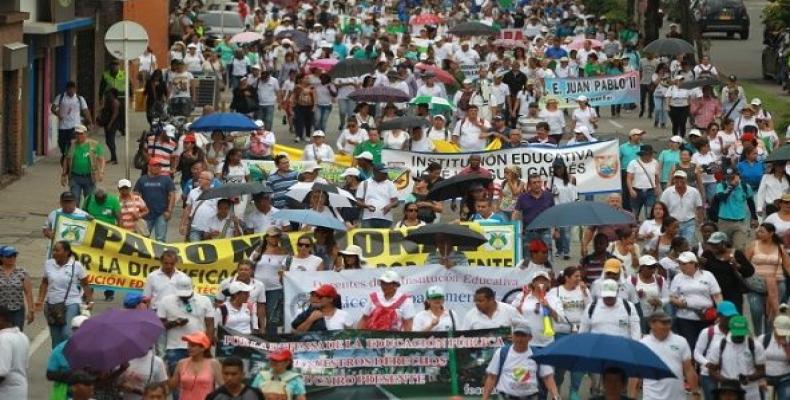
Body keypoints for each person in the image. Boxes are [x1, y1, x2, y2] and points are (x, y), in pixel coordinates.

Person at [482, 320, 560, 400]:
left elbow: (547, 378)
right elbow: (491, 378)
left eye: (523, 335)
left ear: (530, 338)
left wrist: (555, 396)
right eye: (517, 335)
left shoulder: (538, 355)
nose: (519, 339)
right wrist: (485, 398)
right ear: (512, 336)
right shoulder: (501, 353)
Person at [36, 240, 93, 348]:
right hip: (52, 304)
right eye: (54, 250)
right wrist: (40, 300)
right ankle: (57, 361)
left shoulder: (77, 266)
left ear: (67, 252)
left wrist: (90, 300)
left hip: (71, 302)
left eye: (57, 250)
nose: (54, 253)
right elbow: (44, 283)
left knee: (67, 333)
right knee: (56, 337)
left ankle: (70, 357)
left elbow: (85, 284)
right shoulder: (49, 264)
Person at [157, 275, 214, 378]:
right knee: (178, 380)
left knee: (200, 378)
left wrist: (207, 347)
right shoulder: (165, 301)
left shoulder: (205, 300)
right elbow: (158, 325)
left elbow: (210, 325)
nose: (184, 296)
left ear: (192, 287)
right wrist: (175, 323)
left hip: (199, 347)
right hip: (176, 347)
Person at [639, 311, 701, 400]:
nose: (667, 326)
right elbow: (636, 375)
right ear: (652, 324)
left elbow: (689, 369)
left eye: (668, 322)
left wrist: (695, 392)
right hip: (651, 396)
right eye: (663, 323)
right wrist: (632, 395)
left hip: (677, 397)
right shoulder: (643, 343)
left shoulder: (681, 341)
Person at [671, 251, 723, 351]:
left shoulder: (708, 275)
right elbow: (672, 296)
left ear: (694, 264)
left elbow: (717, 296)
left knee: (707, 346)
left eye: (684, 264)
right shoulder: (677, 278)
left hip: (706, 317)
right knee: (691, 346)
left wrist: (720, 314)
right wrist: (677, 302)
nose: (681, 266)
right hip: (685, 318)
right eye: (680, 263)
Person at [744, 223, 789, 336]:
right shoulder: (753, 245)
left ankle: (768, 338)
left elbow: (788, 266)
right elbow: (745, 265)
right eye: (758, 231)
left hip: (777, 284)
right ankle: (759, 336)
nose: (758, 233)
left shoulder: (780, 247)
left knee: (772, 313)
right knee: (756, 311)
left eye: (762, 231)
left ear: (771, 233)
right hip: (756, 284)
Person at [708, 315, 767, 400]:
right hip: (728, 393)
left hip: (750, 392)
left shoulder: (755, 345)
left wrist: (748, 377)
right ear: (730, 329)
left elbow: (762, 370)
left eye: (741, 333)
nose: (739, 336)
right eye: (737, 333)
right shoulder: (719, 345)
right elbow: (712, 370)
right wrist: (727, 382)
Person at [694, 301, 740, 400]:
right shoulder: (708, 332)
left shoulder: (738, 333)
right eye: (728, 317)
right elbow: (697, 353)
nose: (730, 319)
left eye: (733, 316)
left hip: (729, 376)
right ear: (719, 316)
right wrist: (707, 363)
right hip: (708, 375)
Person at [250, 226, 289, 337]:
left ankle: (271, 340)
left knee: (272, 317)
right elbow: (249, 265)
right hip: (257, 288)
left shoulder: (284, 252)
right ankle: (256, 340)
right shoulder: (258, 250)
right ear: (267, 237)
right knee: (256, 315)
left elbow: (288, 268)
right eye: (273, 237)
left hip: (275, 288)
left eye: (277, 237)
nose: (275, 239)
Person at [703, 231, 755, 313]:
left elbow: (750, 271)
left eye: (716, 244)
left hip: (733, 294)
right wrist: (700, 264)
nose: (713, 247)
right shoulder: (707, 254)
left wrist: (737, 265)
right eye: (711, 244)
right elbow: (704, 272)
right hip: (714, 293)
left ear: (724, 243)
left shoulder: (736, 254)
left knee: (734, 319)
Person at [512, 270, 564, 348]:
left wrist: (548, 307)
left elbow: (560, 319)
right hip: (525, 342)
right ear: (533, 283)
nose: (541, 282)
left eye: (544, 280)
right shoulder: (522, 296)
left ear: (548, 283)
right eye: (538, 280)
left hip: (546, 343)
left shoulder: (554, 299)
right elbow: (512, 314)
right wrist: (521, 302)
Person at [169, 331, 222, 400]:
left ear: (203, 348)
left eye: (193, 346)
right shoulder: (181, 363)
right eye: (188, 345)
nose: (189, 348)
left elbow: (223, 385)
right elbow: (171, 386)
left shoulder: (213, 363)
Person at [714, 169, 757, 250]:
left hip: (740, 222)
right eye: (728, 176)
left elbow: (751, 202)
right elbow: (722, 198)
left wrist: (754, 217)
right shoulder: (721, 185)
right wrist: (731, 186)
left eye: (733, 176)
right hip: (724, 222)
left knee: (739, 248)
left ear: (738, 176)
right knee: (724, 248)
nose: (730, 178)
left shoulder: (745, 187)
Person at [514, 174, 555, 259]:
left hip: (545, 231)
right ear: (529, 185)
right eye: (534, 183)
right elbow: (516, 213)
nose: (537, 184)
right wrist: (514, 228)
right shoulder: (522, 197)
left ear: (542, 183)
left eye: (539, 182)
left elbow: (553, 213)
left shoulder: (549, 196)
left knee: (547, 257)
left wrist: (556, 229)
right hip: (528, 232)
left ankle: (547, 272)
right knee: (527, 258)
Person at [134, 159, 177, 241]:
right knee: (143, 238)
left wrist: (169, 211)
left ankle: (160, 254)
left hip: (162, 213)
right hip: (146, 214)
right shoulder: (142, 180)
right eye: (155, 165)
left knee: (160, 239)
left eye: (159, 166)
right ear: (149, 167)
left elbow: (172, 195)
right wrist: (137, 211)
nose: (157, 167)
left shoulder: (166, 179)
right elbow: (135, 195)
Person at [61, 124, 105, 203]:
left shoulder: (94, 145)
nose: (79, 136)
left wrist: (101, 172)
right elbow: (66, 160)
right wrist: (64, 174)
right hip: (75, 177)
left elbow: (101, 159)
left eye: (81, 133)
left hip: (90, 177)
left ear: (86, 133)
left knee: (89, 200)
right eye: (77, 134)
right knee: (74, 199)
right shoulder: (71, 145)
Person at [660, 170, 705, 244]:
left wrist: (700, 222)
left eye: (681, 179)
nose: (679, 181)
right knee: (674, 244)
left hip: (689, 223)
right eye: (676, 179)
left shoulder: (694, 192)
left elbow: (699, 207)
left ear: (686, 180)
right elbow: (662, 207)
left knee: (687, 244)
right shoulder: (667, 192)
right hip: (672, 223)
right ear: (674, 180)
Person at [52, 81, 92, 162]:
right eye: (69, 90)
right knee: (62, 143)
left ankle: (71, 158)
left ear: (75, 89)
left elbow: (85, 110)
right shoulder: (61, 97)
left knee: (73, 143)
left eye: (73, 90)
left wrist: (90, 121)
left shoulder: (80, 99)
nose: (71, 92)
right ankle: (65, 154)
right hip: (63, 126)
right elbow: (53, 108)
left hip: (75, 126)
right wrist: (58, 114)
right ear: (66, 89)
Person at [632, 256, 670, 333]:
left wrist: (660, 302)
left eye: (654, 267)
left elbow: (667, 298)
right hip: (639, 318)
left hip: (657, 318)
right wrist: (636, 296)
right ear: (641, 267)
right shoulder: (632, 280)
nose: (652, 269)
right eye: (649, 267)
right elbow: (627, 299)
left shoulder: (660, 279)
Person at [0, 247, 33, 331]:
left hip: (17, 310)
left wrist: (31, 310)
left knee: (17, 333)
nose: (12, 258)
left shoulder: (22, 272)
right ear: (1, 257)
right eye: (9, 256)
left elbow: (28, 293)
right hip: (1, 311)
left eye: (14, 256)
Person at [356, 163, 398, 229]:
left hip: (386, 219)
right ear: (375, 172)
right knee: (368, 238)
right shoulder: (364, 183)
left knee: (385, 239)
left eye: (386, 172)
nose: (386, 174)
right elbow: (358, 201)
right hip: (368, 219)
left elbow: (395, 201)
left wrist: (389, 206)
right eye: (383, 172)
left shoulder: (390, 184)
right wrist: (366, 206)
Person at [0, 306, 29, 398]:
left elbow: (1, 372)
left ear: (1, 319)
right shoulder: (21, 336)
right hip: (20, 389)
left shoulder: (3, 339)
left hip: (7, 392)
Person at [627, 144, 661, 220]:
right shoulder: (633, 163)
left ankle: (647, 229)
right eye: (647, 154)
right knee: (634, 214)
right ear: (642, 154)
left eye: (650, 154)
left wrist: (657, 187)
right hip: (636, 190)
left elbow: (656, 177)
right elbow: (629, 178)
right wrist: (631, 190)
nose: (649, 156)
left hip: (650, 191)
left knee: (649, 214)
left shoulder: (655, 163)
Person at [760, 311, 790, 399]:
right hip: (766, 377)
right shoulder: (764, 339)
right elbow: (756, 359)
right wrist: (761, 379)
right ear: (774, 327)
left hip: (785, 378)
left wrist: (786, 347)